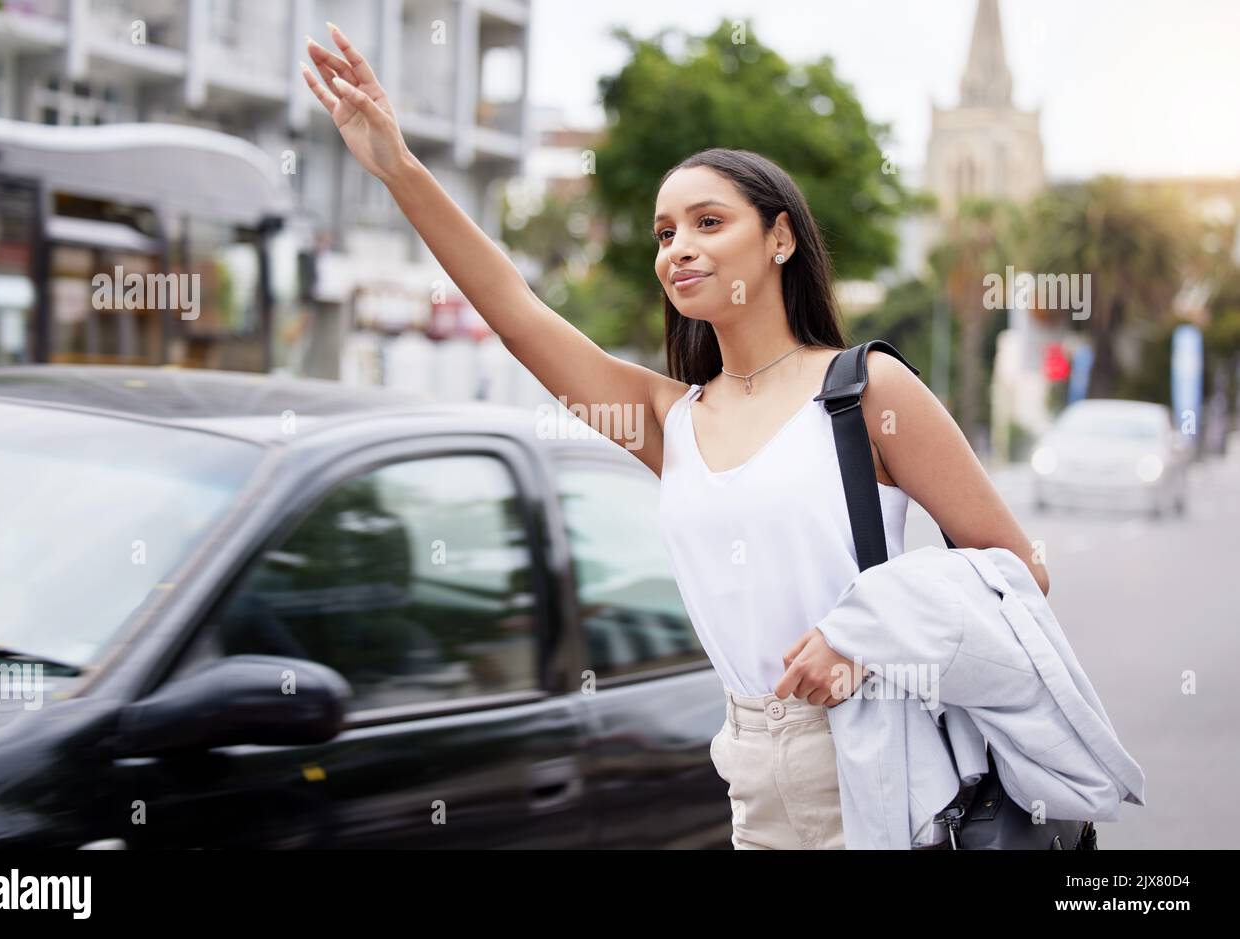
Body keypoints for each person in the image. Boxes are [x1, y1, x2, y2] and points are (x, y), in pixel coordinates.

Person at [301, 23, 1051, 849]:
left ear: (779, 237)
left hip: (876, 759)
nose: (679, 248)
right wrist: (399, 169)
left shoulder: (866, 391)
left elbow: (1021, 570)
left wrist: (866, 640)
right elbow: (516, 314)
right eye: (665, 233)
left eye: (706, 221)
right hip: (752, 774)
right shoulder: (672, 420)